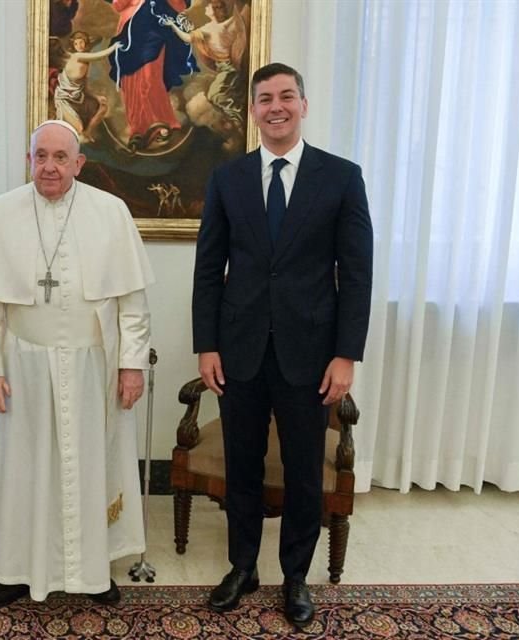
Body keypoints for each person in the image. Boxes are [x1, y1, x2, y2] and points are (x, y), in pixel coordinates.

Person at [192, 63, 373, 628]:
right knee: (242, 467)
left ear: (303, 104)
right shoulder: (228, 178)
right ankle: (243, 567)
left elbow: (357, 273)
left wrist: (347, 354)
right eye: (265, 98)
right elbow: (207, 271)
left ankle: (296, 574)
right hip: (239, 350)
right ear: (252, 109)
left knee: (302, 471)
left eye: (286, 96)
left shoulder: (341, 177)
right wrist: (207, 346)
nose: (276, 106)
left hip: (311, 356)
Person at [0, 120, 154, 607]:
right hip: (22, 367)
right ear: (28, 160)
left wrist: (132, 366)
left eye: (60, 157)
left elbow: (132, 304)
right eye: (40, 156)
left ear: (79, 163)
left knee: (93, 466)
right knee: (22, 467)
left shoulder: (111, 213)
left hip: (93, 367)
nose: (49, 166)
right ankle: (14, 571)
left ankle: (93, 572)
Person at [107, 0, 198, 149]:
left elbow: (179, 4)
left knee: (151, 77)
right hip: (130, 29)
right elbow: (118, 5)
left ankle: (160, 119)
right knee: (130, 80)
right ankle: (138, 126)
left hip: (154, 29)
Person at [54, 31, 121, 143]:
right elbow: (99, 56)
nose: (79, 46)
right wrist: (114, 47)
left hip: (78, 97)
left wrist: (96, 96)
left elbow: (83, 86)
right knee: (78, 130)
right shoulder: (77, 56)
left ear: (85, 43)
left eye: (82, 42)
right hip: (65, 99)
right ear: (73, 46)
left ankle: (88, 132)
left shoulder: (85, 62)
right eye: (76, 43)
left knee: (103, 106)